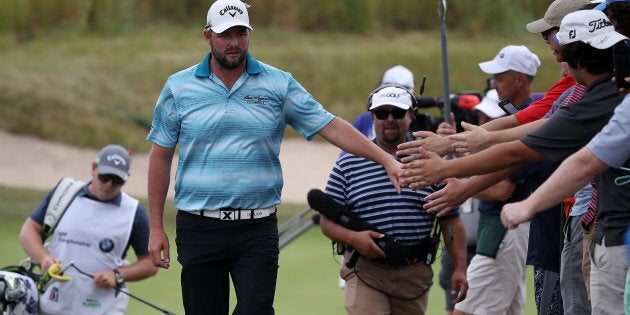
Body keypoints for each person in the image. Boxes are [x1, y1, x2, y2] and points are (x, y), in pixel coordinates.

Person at [145, 1, 402, 314]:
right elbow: (160, 156)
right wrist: (156, 226)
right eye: (226, 35)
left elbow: (330, 125)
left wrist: (386, 159)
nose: (234, 43)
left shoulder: (278, 84)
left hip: (257, 226)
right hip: (198, 225)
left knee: (257, 309)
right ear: (208, 36)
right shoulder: (179, 86)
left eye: (241, 33)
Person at [399, 9, 627, 314]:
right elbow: (536, 127)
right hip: (585, 227)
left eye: (555, 47)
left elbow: (526, 151)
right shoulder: (597, 94)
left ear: (573, 59)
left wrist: (450, 168)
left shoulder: (596, 99)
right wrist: (457, 145)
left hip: (604, 230)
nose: (557, 61)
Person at [319, 85, 468, 315]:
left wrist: (460, 268)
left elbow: (451, 222)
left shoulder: (430, 161)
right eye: (382, 113)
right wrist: (355, 238)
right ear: (372, 117)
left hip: (414, 272)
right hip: (365, 269)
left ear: (411, 115)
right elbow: (327, 222)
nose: (389, 119)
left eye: (397, 113)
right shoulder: (347, 164)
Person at [18, 144, 157, 314]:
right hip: (52, 304)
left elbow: (151, 262)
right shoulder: (64, 194)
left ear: (126, 178)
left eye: (117, 180)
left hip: (103, 309)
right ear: (93, 168)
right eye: (104, 177)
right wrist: (43, 258)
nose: (109, 185)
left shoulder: (135, 212)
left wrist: (117, 275)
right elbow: (29, 230)